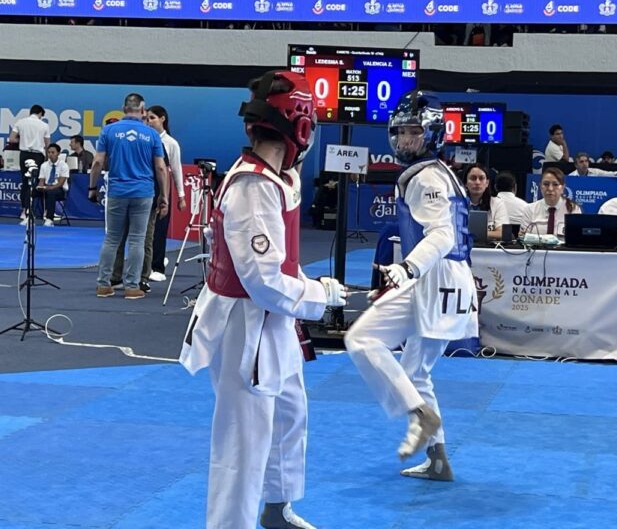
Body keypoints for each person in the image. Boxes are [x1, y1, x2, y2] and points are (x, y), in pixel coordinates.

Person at [179, 71, 347, 529]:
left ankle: (277, 509)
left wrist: (306, 290)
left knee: (290, 414)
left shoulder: (278, 177)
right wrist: (321, 294)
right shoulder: (252, 188)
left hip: (274, 321)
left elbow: (276, 266)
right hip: (246, 324)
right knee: (243, 439)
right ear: (301, 127)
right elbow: (264, 280)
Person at [344, 90, 477, 483]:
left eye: (414, 133)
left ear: (432, 133)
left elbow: (442, 236)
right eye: (400, 133)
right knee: (409, 368)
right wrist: (401, 282)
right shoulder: (437, 171)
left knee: (373, 346)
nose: (404, 141)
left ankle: (420, 417)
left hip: (437, 277)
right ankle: (437, 457)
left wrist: (407, 268)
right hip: (441, 279)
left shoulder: (426, 177)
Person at [89, 93, 168, 300]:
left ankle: (103, 284)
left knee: (112, 238)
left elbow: (97, 162)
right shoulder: (151, 135)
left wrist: (92, 187)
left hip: (117, 191)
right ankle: (132, 286)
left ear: (123, 109)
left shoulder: (109, 131)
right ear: (143, 110)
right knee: (137, 240)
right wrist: (164, 196)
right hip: (143, 193)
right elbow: (160, 168)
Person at [147, 105, 186, 283]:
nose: (149, 121)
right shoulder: (144, 140)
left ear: (162, 119)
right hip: (145, 188)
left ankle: (158, 267)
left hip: (162, 189)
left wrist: (181, 196)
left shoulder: (171, 143)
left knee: (159, 230)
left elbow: (176, 170)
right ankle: (146, 264)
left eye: (152, 118)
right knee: (144, 232)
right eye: (147, 118)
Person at [9, 104, 51, 225]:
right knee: (37, 182)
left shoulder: (20, 122)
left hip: (24, 155)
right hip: (38, 156)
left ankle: (24, 210)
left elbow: (11, 139)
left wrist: (21, 140)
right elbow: (48, 144)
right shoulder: (44, 125)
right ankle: (37, 211)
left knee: (25, 182)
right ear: (40, 114)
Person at [520, 166, 582, 235]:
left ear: (563, 188)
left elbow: (577, 238)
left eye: (555, 184)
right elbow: (523, 238)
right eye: (546, 184)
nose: (550, 188)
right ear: (540, 186)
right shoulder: (530, 209)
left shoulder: (574, 209)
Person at [463, 163, 509, 241]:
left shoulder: (497, 203)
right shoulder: (457, 204)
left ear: (487, 183)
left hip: (489, 250)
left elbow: (504, 233)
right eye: (473, 178)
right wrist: (491, 233)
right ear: (465, 183)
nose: (477, 182)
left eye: (481, 178)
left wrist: (469, 233)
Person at [35, 143, 69, 227]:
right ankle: (29, 216)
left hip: (59, 189)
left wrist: (49, 188)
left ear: (58, 153)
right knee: (32, 192)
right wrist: (40, 187)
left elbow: (60, 183)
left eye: (53, 152)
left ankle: (49, 219)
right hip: (46, 187)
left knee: (51, 192)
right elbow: (42, 180)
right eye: (49, 152)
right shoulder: (44, 165)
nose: (50, 154)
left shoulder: (63, 165)